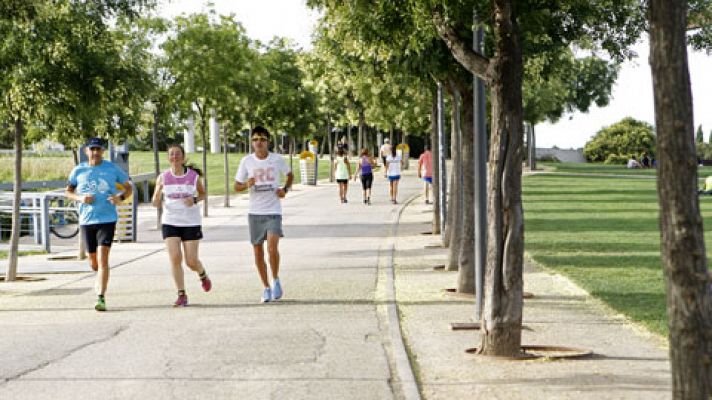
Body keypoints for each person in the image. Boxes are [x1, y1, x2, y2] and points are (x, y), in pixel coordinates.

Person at [65, 137, 132, 312]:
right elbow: (68, 191)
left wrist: (120, 198)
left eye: (98, 149)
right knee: (93, 262)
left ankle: (101, 297)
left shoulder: (111, 168)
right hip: (87, 220)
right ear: (86, 151)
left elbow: (129, 187)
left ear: (102, 151)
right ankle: (99, 274)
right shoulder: (78, 170)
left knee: (103, 259)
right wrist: (80, 198)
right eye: (92, 149)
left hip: (107, 219)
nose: (95, 152)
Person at [234, 126, 294, 303]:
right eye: (255, 139)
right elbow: (236, 186)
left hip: (273, 210)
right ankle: (266, 287)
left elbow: (290, 175)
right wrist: (246, 184)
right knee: (258, 252)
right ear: (252, 143)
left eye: (262, 139)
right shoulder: (247, 161)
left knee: (272, 248)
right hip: (255, 212)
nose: (258, 142)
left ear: (268, 142)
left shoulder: (276, 159)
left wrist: (285, 189)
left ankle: (275, 279)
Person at [151, 144, 212, 307]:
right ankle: (181, 294)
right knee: (175, 258)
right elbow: (155, 202)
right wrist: (157, 196)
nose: (175, 157)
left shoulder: (193, 176)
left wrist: (194, 200)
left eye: (178, 154)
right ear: (168, 158)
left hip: (190, 222)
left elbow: (203, 194)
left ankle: (202, 274)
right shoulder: (163, 177)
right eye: (171, 154)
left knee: (191, 261)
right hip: (170, 221)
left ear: (183, 157)